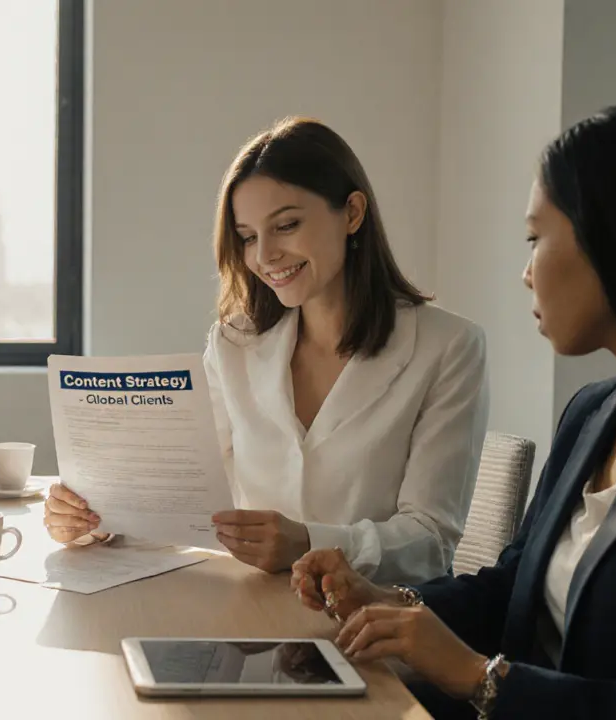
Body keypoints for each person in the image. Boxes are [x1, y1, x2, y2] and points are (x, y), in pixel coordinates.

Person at [292, 98, 616, 719]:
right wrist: (390, 600)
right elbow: (514, 587)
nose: (526, 273)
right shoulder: (593, 415)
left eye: (536, 238)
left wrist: (483, 679)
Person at [45, 117, 489, 581]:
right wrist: (97, 521)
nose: (265, 255)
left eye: (287, 225)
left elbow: (432, 542)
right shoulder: (233, 343)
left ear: (353, 214)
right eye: (249, 237)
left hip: (370, 627)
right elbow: (187, 504)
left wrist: (311, 542)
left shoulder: (449, 348)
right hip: (250, 619)